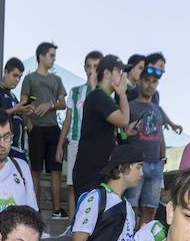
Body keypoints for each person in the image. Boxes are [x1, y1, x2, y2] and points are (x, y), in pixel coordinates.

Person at [71, 55, 130, 199]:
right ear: (107, 73)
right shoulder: (99, 97)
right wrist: (122, 93)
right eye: (119, 71)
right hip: (91, 172)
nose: (122, 77)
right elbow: (123, 120)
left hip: (97, 170)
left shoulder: (103, 98)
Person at [20, 42, 67, 218]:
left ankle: (56, 210)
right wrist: (29, 125)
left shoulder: (57, 80)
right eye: (51, 55)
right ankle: (35, 210)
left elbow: (63, 104)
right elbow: (23, 104)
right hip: (36, 130)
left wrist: (50, 104)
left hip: (54, 129)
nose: (54, 59)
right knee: (36, 171)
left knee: (56, 171)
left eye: (54, 55)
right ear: (41, 56)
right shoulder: (29, 78)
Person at [55, 50, 103, 225]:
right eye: (89, 66)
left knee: (95, 186)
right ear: (84, 68)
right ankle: (72, 223)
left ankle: (91, 224)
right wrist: (60, 145)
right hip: (76, 142)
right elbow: (68, 119)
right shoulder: (75, 92)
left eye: (96, 67)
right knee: (72, 185)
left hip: (97, 146)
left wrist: (93, 87)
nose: (92, 70)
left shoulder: (105, 94)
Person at [123, 66, 168, 224]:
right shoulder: (130, 106)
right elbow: (122, 134)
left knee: (150, 207)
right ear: (140, 82)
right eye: (147, 80)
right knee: (131, 205)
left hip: (156, 165)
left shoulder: (158, 109)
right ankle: (128, 239)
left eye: (154, 82)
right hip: (136, 164)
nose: (150, 85)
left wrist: (163, 159)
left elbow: (160, 136)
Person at [0, 57, 30, 160]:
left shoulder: (14, 97)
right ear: (5, 72)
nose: (17, 80)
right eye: (15, 75)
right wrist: (15, 110)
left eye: (20, 77)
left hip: (19, 150)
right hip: (4, 150)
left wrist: (26, 112)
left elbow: (21, 123)